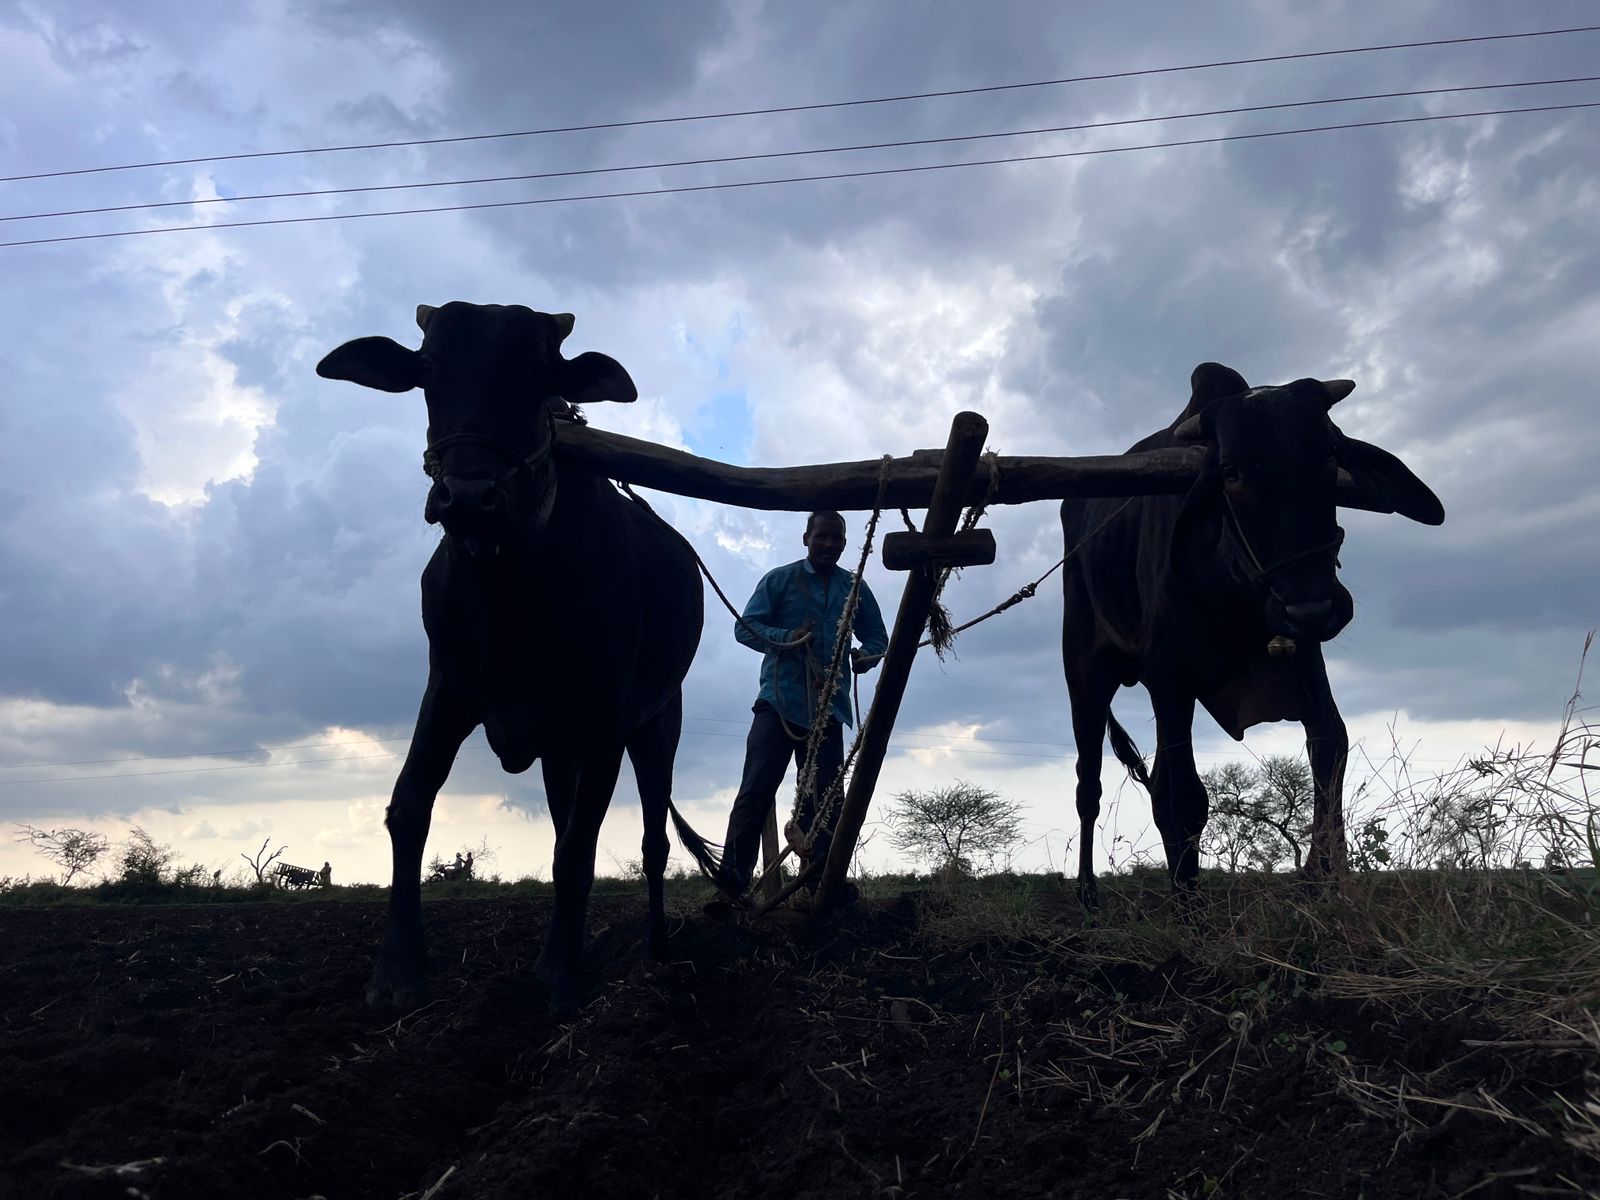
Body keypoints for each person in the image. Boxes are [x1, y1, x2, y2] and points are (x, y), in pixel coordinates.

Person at [718, 510, 888, 903]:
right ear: (806, 538)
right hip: (779, 703)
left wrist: (868, 655)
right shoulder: (781, 579)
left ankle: (821, 884)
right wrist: (787, 637)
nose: (829, 544)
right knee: (756, 790)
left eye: (836, 539)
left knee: (826, 799)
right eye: (822, 536)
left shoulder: (853, 587)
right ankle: (732, 885)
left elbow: (878, 635)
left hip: (829, 709)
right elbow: (745, 627)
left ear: (845, 544)